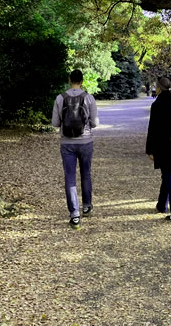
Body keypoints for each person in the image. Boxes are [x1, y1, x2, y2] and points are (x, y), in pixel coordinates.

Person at [51, 69, 98, 229]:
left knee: (70, 178)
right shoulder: (89, 98)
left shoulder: (60, 98)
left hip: (67, 143)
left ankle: (75, 215)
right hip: (86, 142)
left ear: (69, 79)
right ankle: (86, 205)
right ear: (82, 81)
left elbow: (55, 123)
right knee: (86, 173)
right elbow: (95, 123)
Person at [145, 76, 171, 221]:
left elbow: (153, 129)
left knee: (170, 175)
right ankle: (161, 205)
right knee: (168, 173)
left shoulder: (158, 104)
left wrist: (150, 150)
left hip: (165, 146)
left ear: (158, 88)